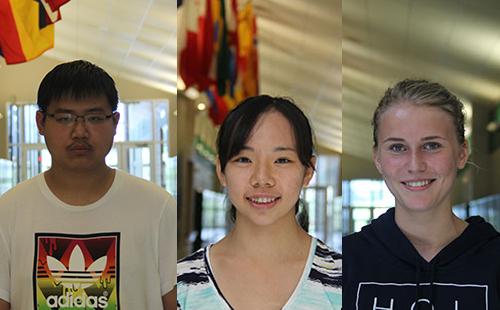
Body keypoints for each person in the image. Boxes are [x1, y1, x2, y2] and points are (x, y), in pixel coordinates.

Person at [0, 60, 177, 309]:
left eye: (94, 118)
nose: (80, 131)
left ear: (115, 123)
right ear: (41, 122)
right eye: (64, 118)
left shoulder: (157, 208)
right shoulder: (8, 211)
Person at [343, 79, 500, 309]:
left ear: (462, 153)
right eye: (398, 147)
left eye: (431, 145)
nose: (415, 165)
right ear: (377, 159)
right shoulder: (345, 262)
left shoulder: (494, 260)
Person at [177, 95, 342, 310]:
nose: (262, 178)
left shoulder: (343, 279)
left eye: (282, 160)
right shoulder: (181, 284)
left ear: (308, 171)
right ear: (221, 170)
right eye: (244, 159)